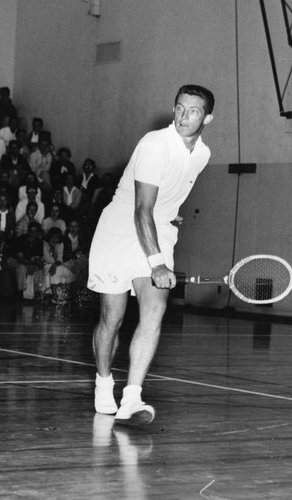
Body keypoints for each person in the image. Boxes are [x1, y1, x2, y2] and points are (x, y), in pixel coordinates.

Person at [87, 84, 215, 425]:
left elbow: (165, 200)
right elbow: (141, 210)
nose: (183, 116)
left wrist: (171, 214)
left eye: (193, 111)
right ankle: (104, 382)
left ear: (208, 118)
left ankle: (132, 398)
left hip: (157, 232)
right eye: (179, 108)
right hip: (119, 231)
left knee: (154, 311)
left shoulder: (202, 155)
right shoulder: (155, 144)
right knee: (111, 319)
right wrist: (157, 264)